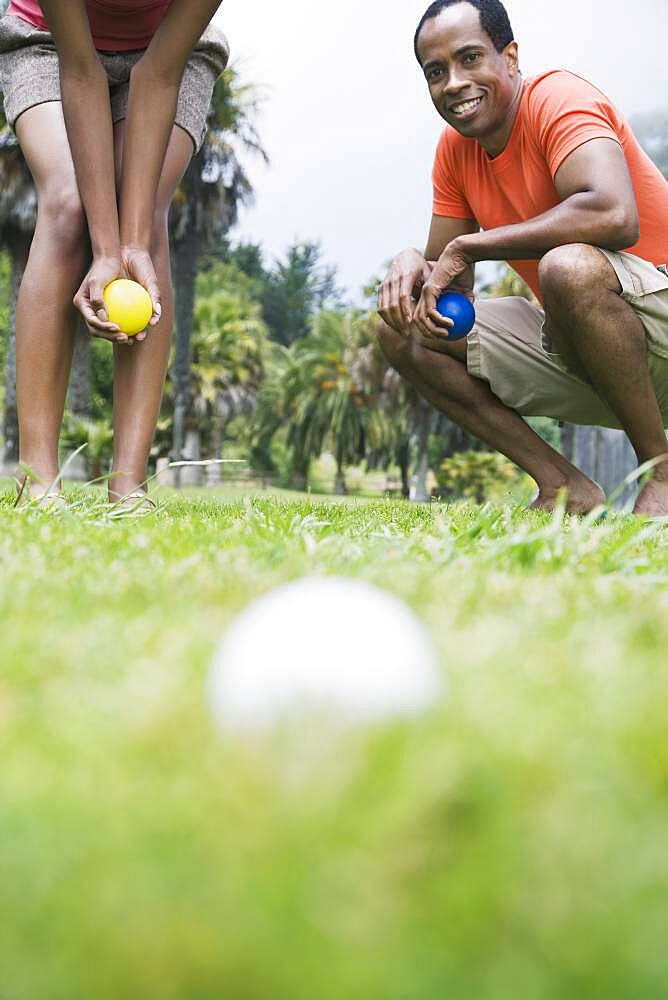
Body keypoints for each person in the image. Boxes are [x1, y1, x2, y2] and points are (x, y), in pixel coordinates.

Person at [377, 0, 668, 516]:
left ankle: (661, 471)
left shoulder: (558, 97)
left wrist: (471, 244)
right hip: (596, 351)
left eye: (470, 58)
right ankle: (565, 489)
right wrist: (410, 261)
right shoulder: (455, 151)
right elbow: (448, 284)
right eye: (436, 72)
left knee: (567, 266)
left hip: (657, 317)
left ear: (509, 57)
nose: (454, 83)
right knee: (407, 330)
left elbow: (613, 213)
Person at [0, 0, 229, 507]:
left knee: (144, 220)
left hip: (170, 53)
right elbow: (79, 71)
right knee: (65, 204)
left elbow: (159, 74)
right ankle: (36, 478)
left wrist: (128, 245)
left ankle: (129, 484)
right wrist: (105, 251)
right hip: (47, 42)